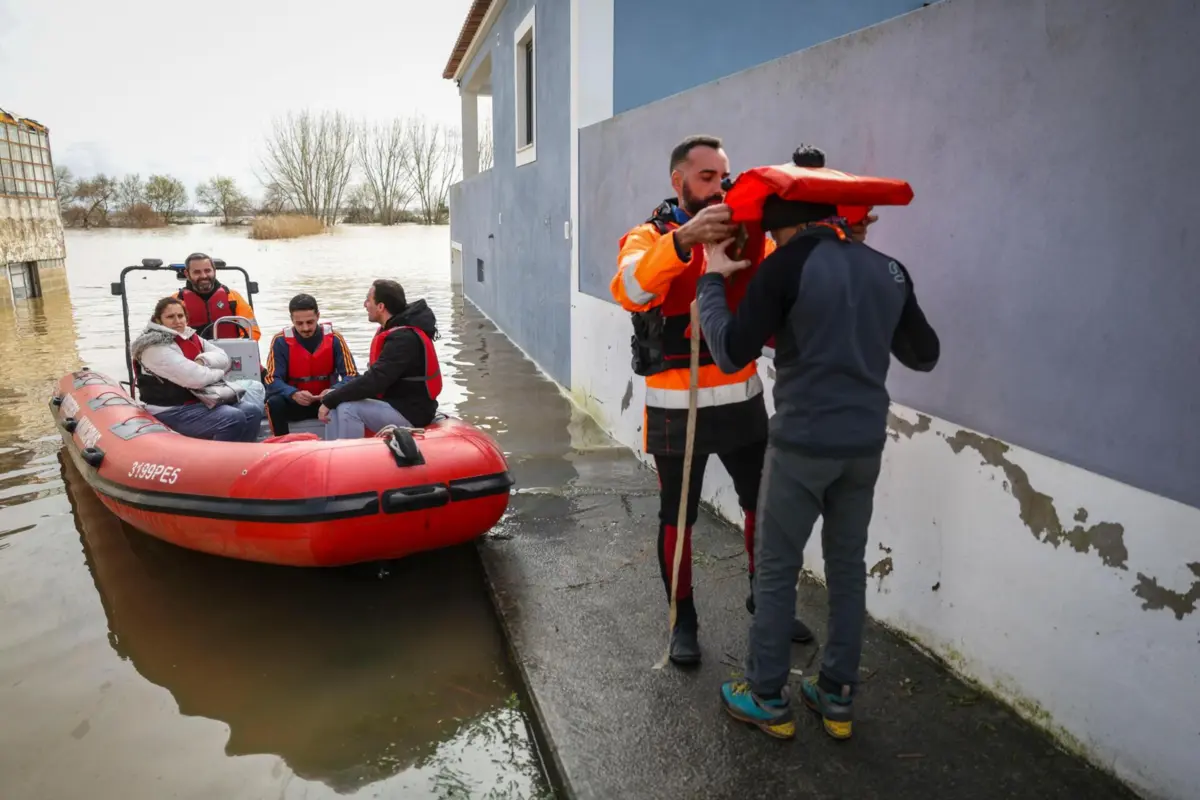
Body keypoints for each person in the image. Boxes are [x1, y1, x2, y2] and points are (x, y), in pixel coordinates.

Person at [695, 160, 940, 741]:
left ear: (782, 227)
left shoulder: (785, 266)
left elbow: (730, 352)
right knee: (848, 567)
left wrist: (711, 280)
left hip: (804, 443)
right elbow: (924, 355)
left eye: (770, 233)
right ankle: (836, 696)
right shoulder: (889, 269)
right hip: (863, 444)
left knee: (779, 567)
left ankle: (766, 697)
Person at [610, 134, 815, 667]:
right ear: (678, 181)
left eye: (724, 176)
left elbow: (783, 274)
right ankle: (684, 621)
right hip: (676, 406)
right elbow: (630, 288)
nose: (720, 186)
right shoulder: (647, 236)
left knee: (762, 506)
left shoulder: (747, 233)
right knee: (677, 517)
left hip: (742, 396)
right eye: (708, 177)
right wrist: (684, 243)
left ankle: (764, 600)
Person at [131, 296, 265, 442]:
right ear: (158, 320)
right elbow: (196, 379)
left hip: (200, 401)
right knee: (232, 417)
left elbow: (224, 358)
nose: (177, 321)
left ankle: (244, 455)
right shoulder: (154, 347)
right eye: (170, 317)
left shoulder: (189, 336)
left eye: (180, 316)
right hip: (171, 410)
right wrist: (219, 372)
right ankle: (220, 461)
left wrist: (203, 360)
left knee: (252, 411)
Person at [318, 279, 441, 439]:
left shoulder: (403, 339)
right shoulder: (394, 332)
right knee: (337, 404)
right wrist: (337, 393)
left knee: (347, 408)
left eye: (368, 300)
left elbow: (376, 380)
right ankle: (332, 456)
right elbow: (374, 377)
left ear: (381, 306)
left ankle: (348, 460)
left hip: (411, 413)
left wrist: (331, 399)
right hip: (395, 405)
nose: (365, 304)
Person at [263, 293, 359, 437]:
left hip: (327, 400)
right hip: (296, 402)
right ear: (292, 320)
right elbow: (272, 379)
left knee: (348, 400)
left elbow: (351, 375)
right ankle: (282, 443)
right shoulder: (280, 341)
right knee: (274, 403)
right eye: (299, 323)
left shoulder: (335, 339)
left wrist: (333, 391)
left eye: (310, 322)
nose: (305, 328)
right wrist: (293, 393)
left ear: (318, 316)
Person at [176, 252, 261, 341]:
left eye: (207, 271)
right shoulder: (175, 302)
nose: (204, 276)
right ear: (187, 274)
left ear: (214, 270)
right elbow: (168, 335)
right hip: (192, 353)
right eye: (197, 272)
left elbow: (253, 332)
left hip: (231, 352)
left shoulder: (233, 298)